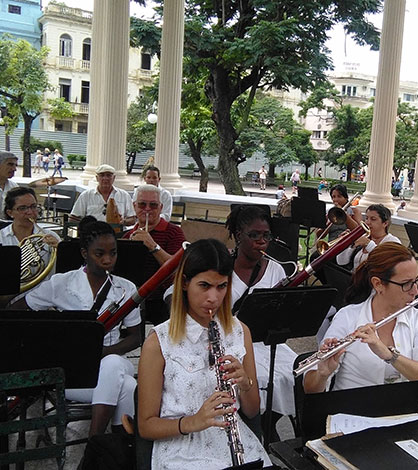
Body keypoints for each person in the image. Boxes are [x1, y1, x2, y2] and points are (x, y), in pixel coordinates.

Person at [137, 239, 270, 469]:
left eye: (222, 286)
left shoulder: (240, 331)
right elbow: (146, 427)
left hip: (237, 444)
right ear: (186, 283)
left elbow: (251, 411)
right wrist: (193, 422)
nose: (213, 298)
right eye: (205, 286)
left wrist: (245, 383)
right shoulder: (158, 342)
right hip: (182, 449)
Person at [18, 216, 142, 436]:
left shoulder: (125, 287)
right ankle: (116, 450)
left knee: (113, 364)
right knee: (129, 387)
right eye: (99, 254)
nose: (108, 260)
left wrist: (105, 353)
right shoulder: (61, 283)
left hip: (113, 362)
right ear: (84, 253)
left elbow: (135, 337)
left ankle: (94, 446)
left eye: (113, 253)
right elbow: (20, 307)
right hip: (73, 372)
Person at [303, 243, 418, 393]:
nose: (415, 291)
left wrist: (390, 356)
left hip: (400, 413)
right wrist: (322, 375)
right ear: (378, 284)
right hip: (351, 412)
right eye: (406, 284)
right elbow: (311, 389)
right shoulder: (348, 317)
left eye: (417, 281)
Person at [226, 205, 297, 421]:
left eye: (266, 236)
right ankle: (254, 421)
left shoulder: (275, 269)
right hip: (232, 342)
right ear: (239, 236)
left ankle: (270, 423)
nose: (261, 241)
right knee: (259, 377)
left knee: (297, 372)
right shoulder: (222, 266)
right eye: (254, 235)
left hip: (266, 343)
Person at [123, 185, 185, 325]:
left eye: (153, 205)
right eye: (142, 204)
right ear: (134, 206)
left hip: (162, 300)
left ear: (161, 207)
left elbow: (178, 268)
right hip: (132, 298)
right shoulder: (127, 236)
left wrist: (152, 245)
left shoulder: (174, 232)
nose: (147, 209)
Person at [0, 187, 60, 276]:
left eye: (33, 206)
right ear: (10, 213)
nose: (30, 212)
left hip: (45, 288)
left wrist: (60, 252)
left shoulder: (51, 236)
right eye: (22, 208)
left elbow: (63, 272)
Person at [335, 204, 400, 271]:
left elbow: (386, 264)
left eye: (373, 219)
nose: (367, 222)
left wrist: (368, 244)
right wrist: (346, 244)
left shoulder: (393, 241)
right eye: (366, 218)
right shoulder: (363, 237)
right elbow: (341, 262)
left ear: (385, 223)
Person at [70, 164, 136, 225]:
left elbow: (132, 219)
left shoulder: (124, 195)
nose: (105, 178)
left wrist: (123, 222)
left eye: (108, 175)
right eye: (102, 175)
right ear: (97, 178)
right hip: (93, 235)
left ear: (114, 178)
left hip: (116, 234)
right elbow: (73, 218)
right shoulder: (86, 195)